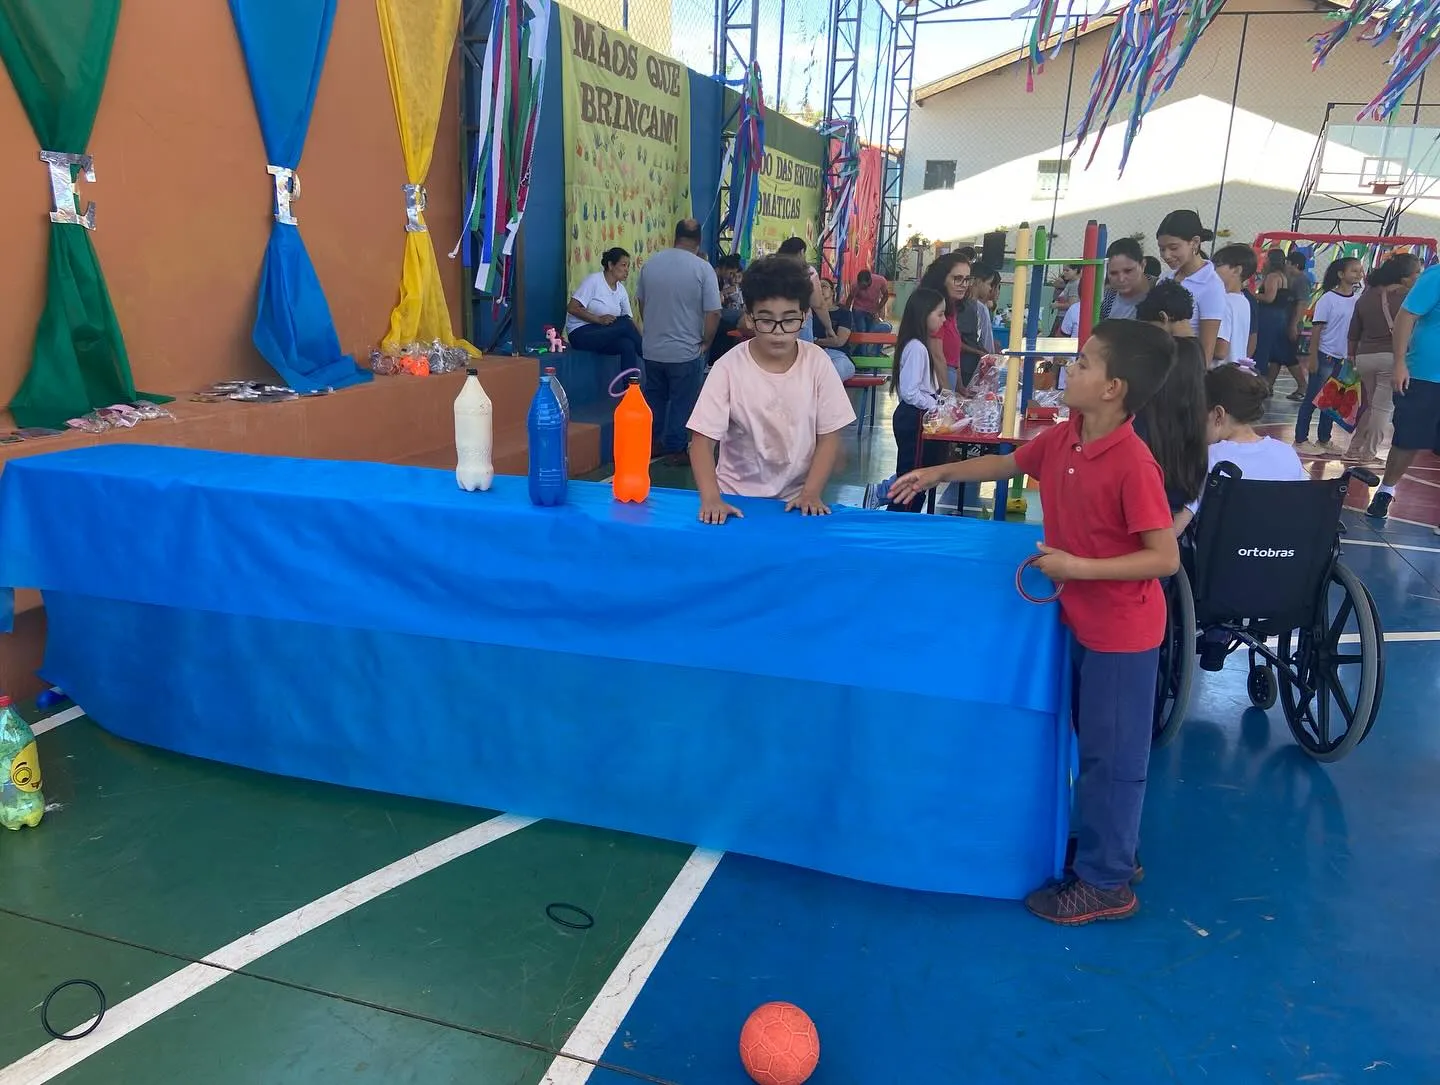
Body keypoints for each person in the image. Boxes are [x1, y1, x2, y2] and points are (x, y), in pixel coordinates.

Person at [889, 321, 1180, 925]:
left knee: (1112, 758)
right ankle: (1110, 848)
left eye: (1085, 363)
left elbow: (1164, 558)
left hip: (1122, 634)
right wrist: (936, 474)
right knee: (1089, 744)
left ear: (1113, 389)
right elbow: (1008, 463)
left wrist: (1078, 567)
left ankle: (1107, 883)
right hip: (1081, 623)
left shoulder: (1133, 463)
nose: (1071, 368)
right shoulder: (1067, 437)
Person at [686, 256, 855, 525]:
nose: (778, 332)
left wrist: (811, 493)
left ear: (805, 316)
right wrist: (711, 498)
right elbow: (702, 442)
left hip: (795, 503)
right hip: (736, 499)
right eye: (766, 320)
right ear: (750, 317)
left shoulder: (817, 363)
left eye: (789, 320)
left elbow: (829, 436)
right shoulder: (728, 367)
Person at [1176, 364, 1308, 669]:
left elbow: (1178, 525)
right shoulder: (1286, 454)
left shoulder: (1211, 458)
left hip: (1220, 580)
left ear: (1218, 414)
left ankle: (1216, 634)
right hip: (1283, 574)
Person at [637, 219, 722, 462]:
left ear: (674, 236)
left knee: (654, 398)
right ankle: (675, 447)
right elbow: (714, 313)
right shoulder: (703, 269)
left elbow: (642, 302)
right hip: (686, 350)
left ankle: (652, 442)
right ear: (699, 241)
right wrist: (706, 342)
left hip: (652, 349)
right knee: (682, 401)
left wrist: (653, 330)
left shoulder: (651, 264)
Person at [1366, 260, 1440, 528]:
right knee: (1407, 440)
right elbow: (1406, 316)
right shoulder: (1436, 276)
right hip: (1425, 375)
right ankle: (1386, 490)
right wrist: (1399, 362)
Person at [1348, 253, 1422, 465]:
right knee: (1383, 409)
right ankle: (1368, 454)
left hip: (1364, 357)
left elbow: (1353, 332)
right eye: (1416, 273)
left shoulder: (1366, 296)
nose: (1419, 277)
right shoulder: (1408, 298)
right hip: (1391, 358)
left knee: (1373, 406)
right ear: (1404, 277)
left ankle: (1354, 448)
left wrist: (1351, 356)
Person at [886, 288, 949, 513]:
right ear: (924, 314)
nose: (944, 319)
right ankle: (900, 522)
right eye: (940, 314)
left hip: (917, 414)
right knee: (914, 480)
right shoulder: (917, 348)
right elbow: (910, 392)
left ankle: (902, 519)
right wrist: (934, 406)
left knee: (915, 477)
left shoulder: (919, 345)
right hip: (915, 417)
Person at [1295, 256, 1363, 455]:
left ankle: (1324, 439)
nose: (1358, 274)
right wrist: (1312, 357)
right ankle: (1300, 439)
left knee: (1333, 401)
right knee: (1312, 398)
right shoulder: (1328, 299)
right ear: (1341, 274)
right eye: (1354, 270)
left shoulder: (1358, 299)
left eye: (1360, 270)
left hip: (1344, 358)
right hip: (1326, 355)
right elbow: (1317, 329)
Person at [1156, 210, 1226, 363]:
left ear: (1194, 242)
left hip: (1185, 369)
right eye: (1162, 248)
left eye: (1173, 248)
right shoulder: (1165, 278)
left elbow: (1206, 353)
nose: (1166, 255)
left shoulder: (1211, 286)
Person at [565, 247, 645, 372]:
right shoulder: (594, 281)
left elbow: (630, 320)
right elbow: (572, 308)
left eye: (628, 266)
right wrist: (598, 319)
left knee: (627, 344)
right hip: (580, 333)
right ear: (611, 265)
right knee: (625, 324)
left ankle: (630, 384)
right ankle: (651, 360)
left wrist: (643, 339)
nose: (627, 270)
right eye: (623, 265)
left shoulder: (621, 290)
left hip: (602, 334)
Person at [918, 252, 974, 388]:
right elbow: (937, 355)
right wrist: (947, 393)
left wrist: (960, 386)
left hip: (949, 376)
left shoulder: (951, 308)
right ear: (941, 279)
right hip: (938, 379)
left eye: (967, 279)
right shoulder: (934, 311)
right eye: (957, 278)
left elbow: (955, 350)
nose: (964, 284)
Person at [1254, 248, 1303, 395]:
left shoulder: (1272, 277)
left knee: (1264, 349)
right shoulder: (1284, 276)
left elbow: (1269, 297)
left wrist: (1252, 295)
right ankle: (1268, 384)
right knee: (1277, 352)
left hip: (1269, 317)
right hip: (1280, 316)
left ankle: (1260, 382)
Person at [1212, 244, 1258, 366]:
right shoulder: (1243, 300)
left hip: (1218, 371)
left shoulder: (1223, 301)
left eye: (1217, 265)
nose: (1212, 269)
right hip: (1235, 371)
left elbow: (1220, 351)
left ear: (1237, 270)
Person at [811, 279, 857, 380]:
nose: (820, 289)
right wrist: (827, 341)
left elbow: (839, 342)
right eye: (817, 287)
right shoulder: (809, 313)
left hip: (838, 355)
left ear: (832, 291)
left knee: (835, 371)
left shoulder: (844, 313)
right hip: (814, 356)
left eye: (824, 286)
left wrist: (815, 340)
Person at [1100, 238, 1150, 320]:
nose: (1121, 279)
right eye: (1113, 273)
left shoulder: (1159, 290)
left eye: (1128, 271)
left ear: (1142, 265)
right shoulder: (1106, 299)